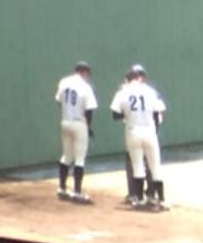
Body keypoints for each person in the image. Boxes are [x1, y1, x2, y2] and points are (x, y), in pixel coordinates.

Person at [110, 64, 168, 211]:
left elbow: (115, 115)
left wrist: (128, 114)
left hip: (133, 130)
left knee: (137, 167)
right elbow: (158, 112)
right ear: (140, 77)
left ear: (129, 78)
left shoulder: (123, 92)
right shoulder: (150, 91)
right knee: (155, 166)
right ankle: (161, 200)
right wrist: (155, 130)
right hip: (149, 130)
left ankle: (139, 199)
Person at [53, 60, 97, 201]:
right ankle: (77, 192)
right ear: (84, 72)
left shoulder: (64, 82)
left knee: (66, 156)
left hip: (66, 122)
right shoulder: (85, 86)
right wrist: (88, 127)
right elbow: (89, 110)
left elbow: (59, 101)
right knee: (79, 159)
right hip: (79, 123)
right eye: (87, 73)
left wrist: (68, 113)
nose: (87, 76)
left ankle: (61, 188)